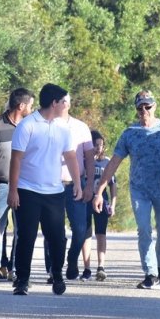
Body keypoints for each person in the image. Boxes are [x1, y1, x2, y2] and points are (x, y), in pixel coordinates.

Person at [92, 90, 160, 290]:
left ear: (155, 106)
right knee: (144, 229)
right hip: (140, 189)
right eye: (140, 108)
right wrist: (99, 191)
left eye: (147, 107)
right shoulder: (130, 134)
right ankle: (151, 273)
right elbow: (113, 163)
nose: (144, 111)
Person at [7, 84, 81, 296]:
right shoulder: (28, 125)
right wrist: (13, 191)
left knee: (57, 237)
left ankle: (56, 274)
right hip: (27, 189)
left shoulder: (63, 127)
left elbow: (70, 156)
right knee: (26, 236)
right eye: (63, 101)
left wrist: (76, 183)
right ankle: (22, 280)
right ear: (54, 103)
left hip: (54, 192)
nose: (66, 105)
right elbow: (16, 159)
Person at [0, 88, 34, 286]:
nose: (33, 109)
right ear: (21, 106)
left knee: (23, 230)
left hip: (25, 186)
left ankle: (17, 270)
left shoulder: (31, 126)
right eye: (30, 105)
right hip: (0, 185)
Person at [55, 97, 95, 281]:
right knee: (54, 231)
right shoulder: (46, 125)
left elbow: (89, 158)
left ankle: (72, 260)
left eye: (66, 100)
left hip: (76, 184)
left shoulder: (81, 127)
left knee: (80, 229)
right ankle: (54, 269)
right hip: (51, 185)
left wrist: (88, 185)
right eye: (60, 100)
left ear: (69, 104)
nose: (63, 104)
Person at [83, 130, 116, 281]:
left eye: (101, 145)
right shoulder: (84, 160)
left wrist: (113, 204)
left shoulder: (106, 162)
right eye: (95, 144)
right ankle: (86, 267)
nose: (98, 148)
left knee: (101, 232)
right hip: (86, 200)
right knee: (86, 233)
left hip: (102, 201)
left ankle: (101, 266)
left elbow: (113, 185)